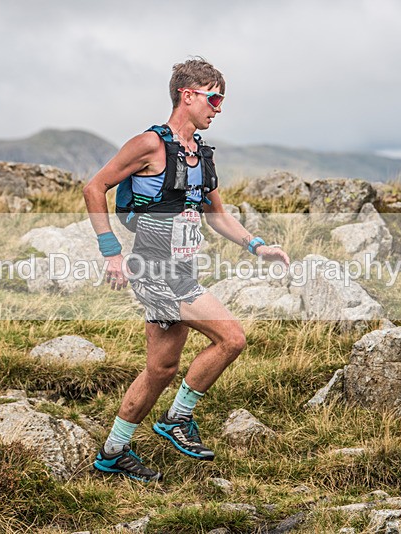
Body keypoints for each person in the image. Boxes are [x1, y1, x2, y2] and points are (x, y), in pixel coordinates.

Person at [83, 57, 289, 482]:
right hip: (153, 271)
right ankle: (177, 420)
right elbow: (94, 187)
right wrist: (110, 252)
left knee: (161, 369)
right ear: (187, 95)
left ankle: (113, 452)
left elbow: (217, 216)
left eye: (221, 100)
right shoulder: (149, 144)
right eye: (214, 98)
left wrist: (257, 245)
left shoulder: (201, 155)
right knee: (231, 337)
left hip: (183, 269)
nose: (218, 108)